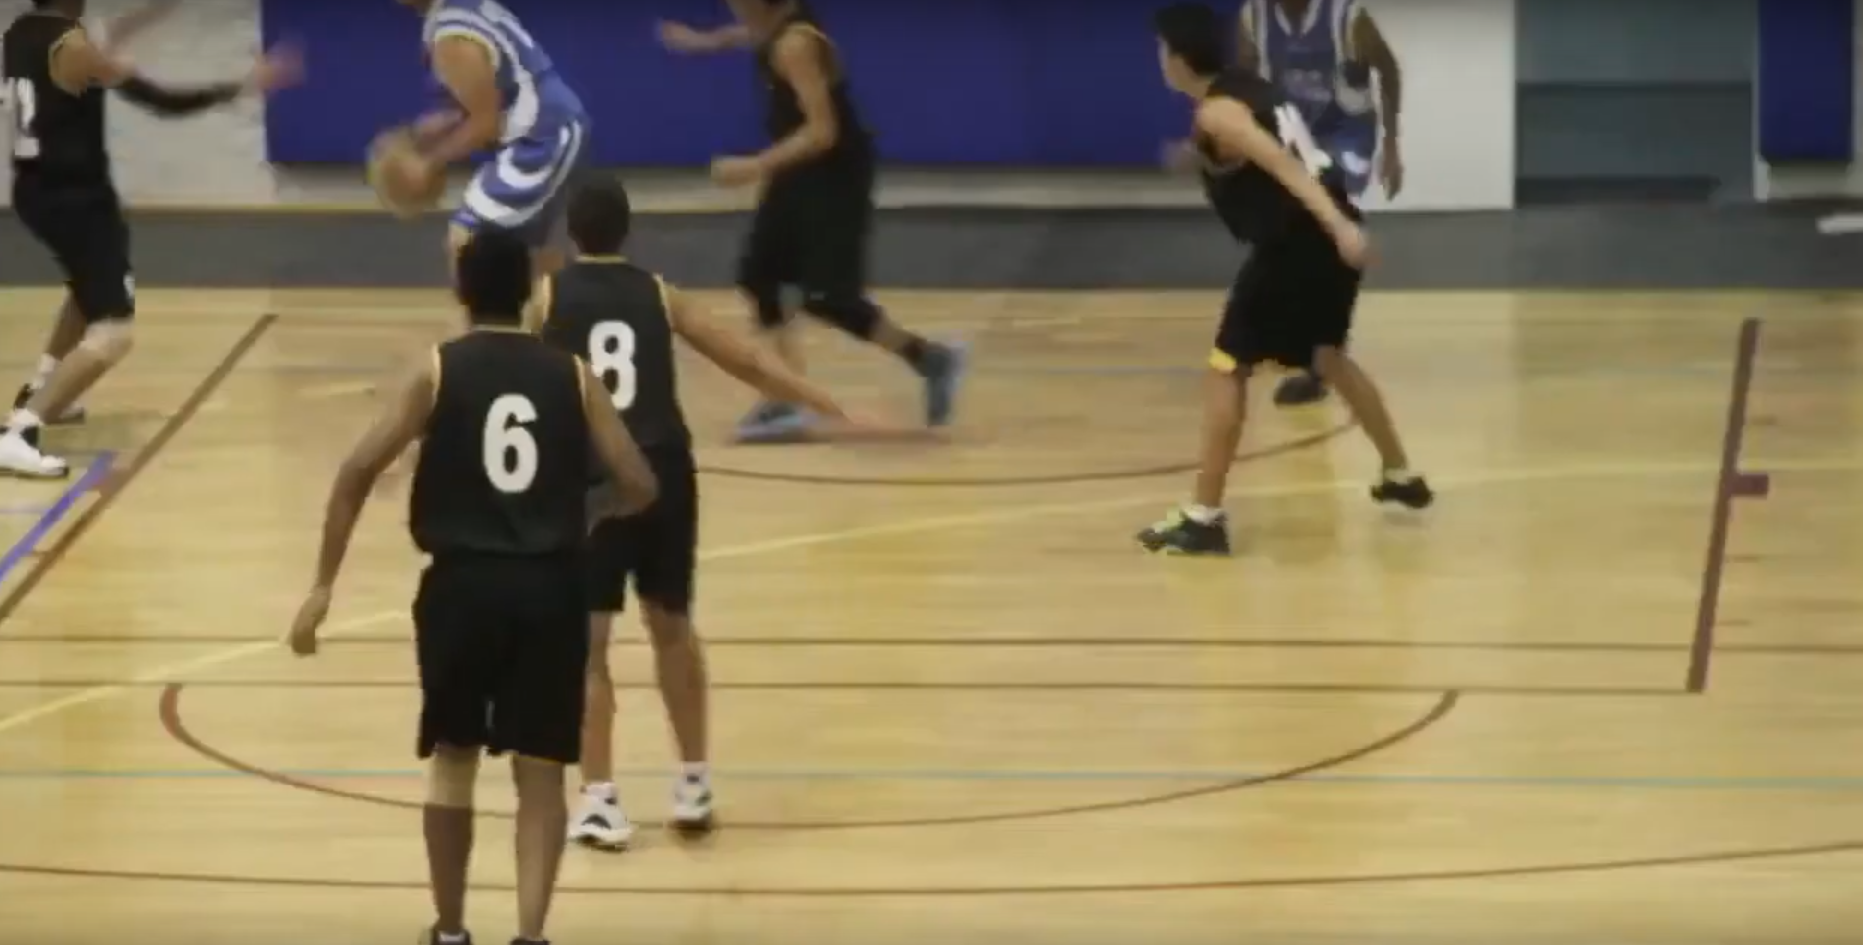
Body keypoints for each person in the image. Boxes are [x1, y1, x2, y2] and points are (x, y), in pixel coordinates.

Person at [287, 229, 660, 945]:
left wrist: (323, 585)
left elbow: (357, 470)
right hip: (550, 589)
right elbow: (639, 481)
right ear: (528, 293)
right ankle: (530, 933)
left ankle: (452, 928)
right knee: (542, 772)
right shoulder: (573, 374)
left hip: (461, 589)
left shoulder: (438, 369)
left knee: (453, 762)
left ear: (462, 291)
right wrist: (590, 511)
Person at [538, 180, 904, 849]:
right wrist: (825, 401)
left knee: (588, 646)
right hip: (662, 471)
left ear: (571, 233)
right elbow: (745, 358)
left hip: (591, 476)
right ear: (626, 232)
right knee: (672, 627)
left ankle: (598, 799)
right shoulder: (659, 294)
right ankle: (693, 783)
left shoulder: (547, 298)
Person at [1138, 1, 1431, 556]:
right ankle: (1399, 473)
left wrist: (1338, 228)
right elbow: (1264, 150)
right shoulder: (1243, 90)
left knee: (1226, 368)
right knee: (1327, 357)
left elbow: (1282, 164)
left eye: (1161, 49)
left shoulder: (1219, 114)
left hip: (1300, 241)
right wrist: (1197, 159)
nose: (1159, 58)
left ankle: (1203, 518)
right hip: (1323, 232)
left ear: (1178, 59)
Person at [0, 0, 298, 478]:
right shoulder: (76, 47)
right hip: (76, 200)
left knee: (86, 289)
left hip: (34, 190)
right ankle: (21, 431)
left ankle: (44, 389)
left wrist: (156, 11)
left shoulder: (22, 33)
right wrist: (242, 85)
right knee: (114, 332)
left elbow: (103, 41)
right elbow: (162, 101)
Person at [658, 0, 967, 442]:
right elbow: (746, 35)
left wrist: (753, 167)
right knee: (759, 275)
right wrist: (703, 42)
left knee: (830, 299)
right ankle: (787, 396)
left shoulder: (795, 44)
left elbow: (824, 131)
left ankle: (931, 358)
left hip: (834, 176)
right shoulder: (770, 26)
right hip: (799, 171)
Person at [1235, 0, 1403, 407]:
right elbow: (1239, 86)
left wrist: (1391, 146)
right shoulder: (1254, 17)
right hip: (1296, 140)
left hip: (1346, 138)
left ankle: (1320, 359)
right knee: (1297, 242)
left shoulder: (1347, 18)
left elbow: (1389, 70)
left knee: (1319, 228)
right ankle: (1316, 347)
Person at [392, 0, 590, 276]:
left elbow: (486, 125)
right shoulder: (463, 8)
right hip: (553, 127)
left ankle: (490, 309)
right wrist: (435, 128)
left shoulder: (452, 36)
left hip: (543, 137)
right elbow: (497, 94)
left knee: (467, 241)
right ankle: (578, 296)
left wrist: (429, 162)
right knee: (532, 254)